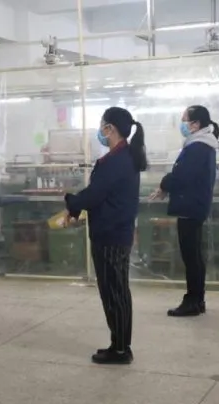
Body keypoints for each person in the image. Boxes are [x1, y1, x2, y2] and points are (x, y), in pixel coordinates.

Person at [65, 107, 146, 365]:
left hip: (110, 235)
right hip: (116, 232)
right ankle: (119, 345)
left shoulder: (116, 161)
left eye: (102, 125)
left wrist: (72, 203)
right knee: (116, 290)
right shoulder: (124, 157)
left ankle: (120, 350)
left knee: (114, 292)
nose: (100, 130)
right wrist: (76, 206)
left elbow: (95, 193)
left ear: (110, 128)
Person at [151, 105, 219, 317]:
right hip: (194, 205)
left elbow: (182, 175)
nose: (182, 124)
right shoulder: (201, 145)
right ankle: (197, 299)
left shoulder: (198, 146)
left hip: (190, 206)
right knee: (194, 256)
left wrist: (164, 184)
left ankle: (192, 301)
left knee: (191, 257)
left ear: (196, 124)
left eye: (184, 120)